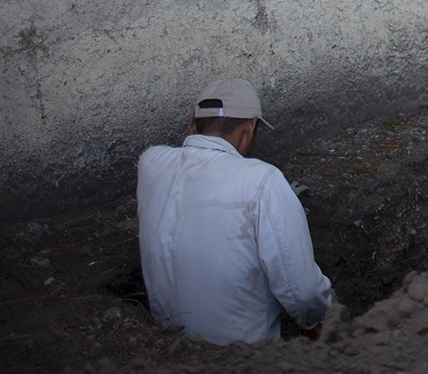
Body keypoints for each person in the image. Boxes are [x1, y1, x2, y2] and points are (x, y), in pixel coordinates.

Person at [137, 77, 335, 345]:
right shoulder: (262, 180)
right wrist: (331, 319)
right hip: (241, 359)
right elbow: (304, 293)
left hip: (171, 350)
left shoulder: (151, 164)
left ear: (192, 124)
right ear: (249, 127)